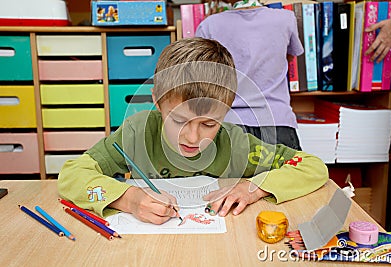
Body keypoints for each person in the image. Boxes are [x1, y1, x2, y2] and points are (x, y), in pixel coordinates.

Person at [58, 37, 328, 225]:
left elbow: (312, 167)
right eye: (178, 120)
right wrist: (127, 199)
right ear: (157, 100)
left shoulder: (236, 144)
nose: (192, 138)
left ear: (226, 110)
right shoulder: (136, 132)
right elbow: (71, 176)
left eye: (209, 124)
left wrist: (253, 187)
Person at [196, 0, 304, 150]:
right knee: (287, 173)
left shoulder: (209, 25)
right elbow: (289, 56)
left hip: (229, 125)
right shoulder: (286, 19)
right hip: (277, 123)